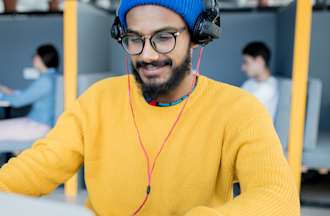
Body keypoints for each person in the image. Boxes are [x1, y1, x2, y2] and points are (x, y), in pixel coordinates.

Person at [0, 1, 299, 215]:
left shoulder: (238, 109)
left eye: (164, 37)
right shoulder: (98, 100)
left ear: (197, 36)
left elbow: (277, 198)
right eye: (134, 39)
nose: (147, 55)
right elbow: (36, 167)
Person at [0, 44, 58, 141]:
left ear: (42, 58)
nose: (33, 58)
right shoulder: (52, 76)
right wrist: (7, 90)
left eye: (35, 55)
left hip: (39, 126)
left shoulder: (45, 80)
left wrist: (2, 95)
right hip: (39, 123)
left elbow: (18, 101)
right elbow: (27, 95)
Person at [241, 41, 279, 120]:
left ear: (259, 61)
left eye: (246, 62)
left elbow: (240, 111)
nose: (243, 68)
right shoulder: (249, 83)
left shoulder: (269, 88)